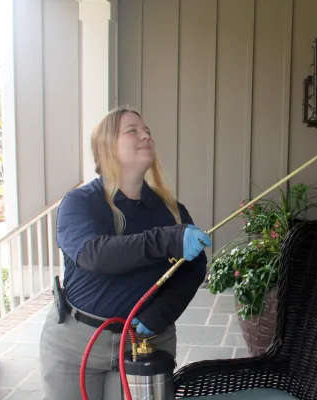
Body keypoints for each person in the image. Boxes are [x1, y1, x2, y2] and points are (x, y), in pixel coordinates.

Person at [39, 106, 212, 399]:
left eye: (147, 131)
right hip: (76, 343)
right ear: (106, 146)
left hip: (146, 342)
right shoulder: (79, 203)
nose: (145, 135)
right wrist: (166, 240)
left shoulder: (171, 211)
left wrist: (162, 311)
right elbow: (94, 254)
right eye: (133, 130)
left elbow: (193, 268)